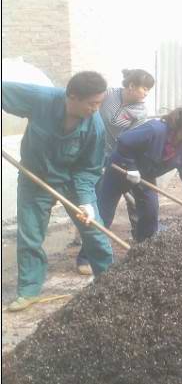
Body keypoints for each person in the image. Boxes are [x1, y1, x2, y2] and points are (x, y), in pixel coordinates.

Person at [2, 72, 114, 312]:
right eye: (92, 103)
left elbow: (90, 167)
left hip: (74, 182)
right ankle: (29, 290)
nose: (96, 109)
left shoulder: (95, 126)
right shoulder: (41, 99)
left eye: (100, 103)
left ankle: (110, 279)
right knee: (30, 235)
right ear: (71, 96)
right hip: (36, 179)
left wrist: (85, 201)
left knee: (93, 229)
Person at [75, 68, 155, 275]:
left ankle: (141, 246)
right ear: (130, 86)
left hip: (115, 158)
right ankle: (85, 252)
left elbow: (130, 139)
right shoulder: (108, 94)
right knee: (93, 201)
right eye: (144, 88)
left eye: (148, 89)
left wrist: (120, 162)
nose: (146, 93)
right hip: (88, 149)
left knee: (116, 204)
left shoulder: (140, 111)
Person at [97, 106, 182, 242]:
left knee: (150, 212)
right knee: (104, 213)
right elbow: (124, 141)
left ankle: (144, 247)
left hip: (145, 176)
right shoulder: (155, 130)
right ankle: (86, 258)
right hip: (119, 170)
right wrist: (130, 166)